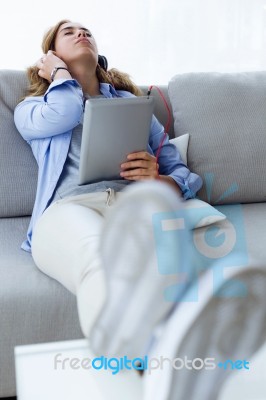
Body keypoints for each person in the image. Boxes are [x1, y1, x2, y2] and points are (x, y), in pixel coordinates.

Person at [14, 19, 266, 400]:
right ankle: (147, 359)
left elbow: (182, 174)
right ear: (49, 56)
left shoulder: (133, 108)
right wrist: (63, 76)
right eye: (69, 32)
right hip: (69, 210)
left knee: (172, 266)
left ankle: (167, 363)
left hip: (134, 204)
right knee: (99, 259)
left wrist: (158, 179)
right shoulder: (33, 108)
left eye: (86, 30)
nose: (81, 33)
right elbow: (64, 112)